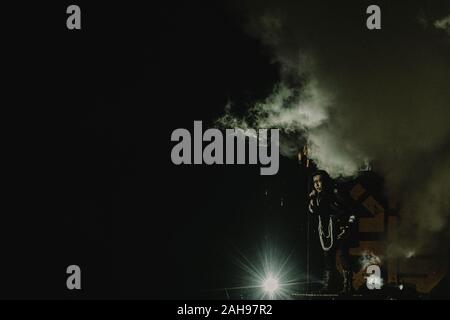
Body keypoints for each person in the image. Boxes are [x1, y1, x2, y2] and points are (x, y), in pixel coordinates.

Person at [308, 170, 356, 294]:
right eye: (315, 182)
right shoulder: (317, 197)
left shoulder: (335, 193)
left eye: (320, 181)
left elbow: (351, 209)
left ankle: (348, 287)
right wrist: (312, 199)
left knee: (343, 256)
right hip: (327, 232)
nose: (318, 184)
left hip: (340, 229)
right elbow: (314, 211)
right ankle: (329, 285)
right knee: (328, 258)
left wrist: (347, 225)